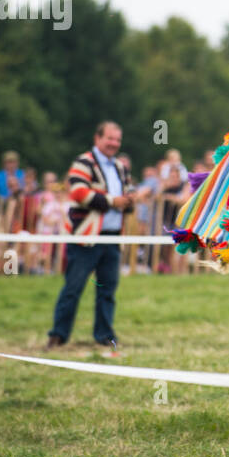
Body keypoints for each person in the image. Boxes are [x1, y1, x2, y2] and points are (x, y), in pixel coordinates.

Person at [46, 122, 134, 356]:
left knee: (107, 289)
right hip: (86, 236)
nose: (114, 143)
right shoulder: (83, 162)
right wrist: (112, 201)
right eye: (110, 139)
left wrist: (129, 201)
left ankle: (105, 336)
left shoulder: (120, 166)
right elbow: (77, 192)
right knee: (73, 287)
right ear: (97, 138)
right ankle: (58, 334)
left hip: (113, 237)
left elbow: (125, 197)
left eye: (117, 140)